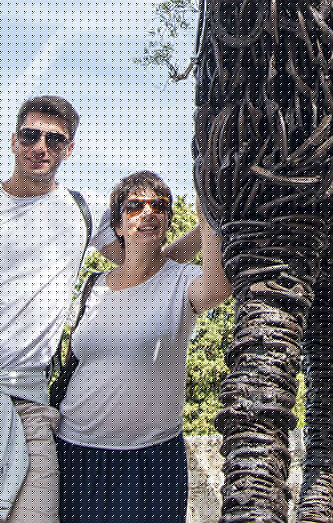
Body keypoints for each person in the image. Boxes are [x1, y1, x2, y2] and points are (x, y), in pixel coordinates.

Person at [0, 96, 201, 523]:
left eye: (55, 140)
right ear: (14, 140)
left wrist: (207, 226)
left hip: (31, 402)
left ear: (69, 149)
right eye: (31, 135)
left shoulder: (83, 210)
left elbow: (146, 265)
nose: (41, 147)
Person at [56, 170, 231, 523]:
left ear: (167, 221)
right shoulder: (91, 286)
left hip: (153, 459)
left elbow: (217, 289)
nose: (148, 212)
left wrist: (207, 214)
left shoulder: (180, 280)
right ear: (117, 225)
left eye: (159, 206)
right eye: (135, 206)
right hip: (76, 452)